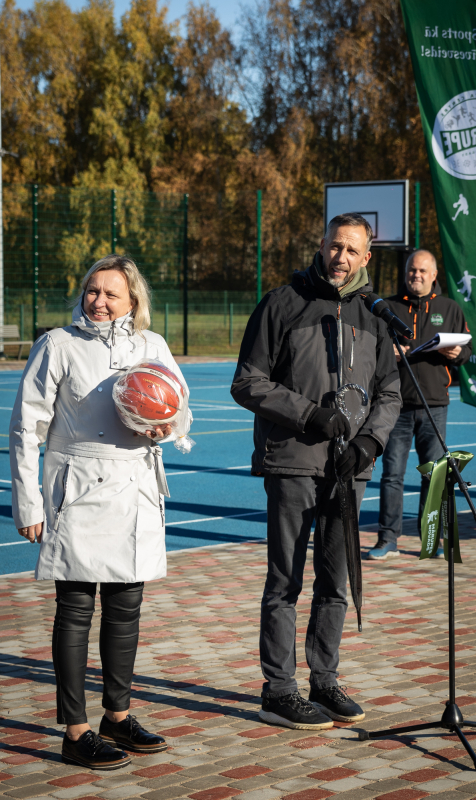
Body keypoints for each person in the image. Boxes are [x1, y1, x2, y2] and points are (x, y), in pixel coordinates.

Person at [10, 255, 190, 770]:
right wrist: (29, 502)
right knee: (75, 612)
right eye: (93, 291)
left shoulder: (151, 346)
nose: (100, 301)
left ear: (133, 299)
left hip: (134, 489)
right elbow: (26, 428)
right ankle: (75, 730)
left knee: (125, 610)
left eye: (111, 293)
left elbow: (180, 407)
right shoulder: (58, 345)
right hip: (78, 490)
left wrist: (166, 428)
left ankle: (117, 715)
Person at [231, 213, 401, 731]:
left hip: (349, 471)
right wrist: (309, 414)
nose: (340, 257)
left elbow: (390, 392)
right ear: (321, 246)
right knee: (285, 580)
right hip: (293, 462)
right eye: (334, 246)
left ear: (366, 258)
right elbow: (247, 382)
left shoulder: (376, 315)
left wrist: (369, 441)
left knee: (337, 582)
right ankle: (278, 690)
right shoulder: (283, 303)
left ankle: (323, 679)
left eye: (352, 250)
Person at [369, 249, 472, 561]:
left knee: (434, 476)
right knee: (392, 476)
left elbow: (467, 348)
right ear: (406, 272)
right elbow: (370, 349)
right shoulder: (388, 307)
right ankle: (387, 539)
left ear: (434, 275)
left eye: (422, 271)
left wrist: (458, 356)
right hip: (395, 405)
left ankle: (433, 541)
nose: (416, 276)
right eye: (412, 270)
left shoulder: (449, 307)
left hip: (435, 405)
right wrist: (389, 352)